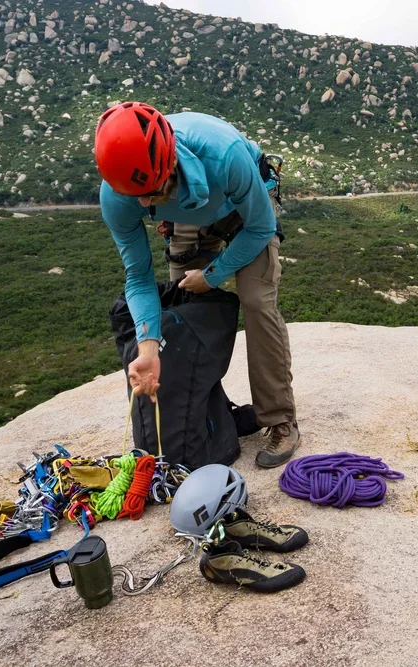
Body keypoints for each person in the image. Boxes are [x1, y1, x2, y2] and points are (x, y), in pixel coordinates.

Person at [94, 101, 299, 468]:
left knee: (256, 300)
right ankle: (217, 418)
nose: (141, 202)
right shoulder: (118, 194)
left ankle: (279, 417)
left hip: (241, 210)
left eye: (149, 192)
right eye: (133, 196)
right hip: (184, 212)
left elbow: (261, 228)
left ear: (169, 163)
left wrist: (213, 275)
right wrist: (148, 347)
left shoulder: (225, 155)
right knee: (185, 313)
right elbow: (139, 278)